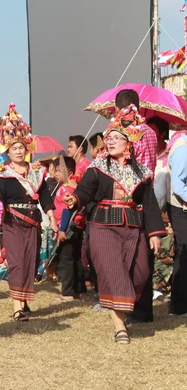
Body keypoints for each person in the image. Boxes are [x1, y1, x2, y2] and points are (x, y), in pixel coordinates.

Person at [65, 105, 165, 343]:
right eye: (108, 138)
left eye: (116, 138)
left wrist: (154, 233)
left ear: (128, 142)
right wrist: (74, 198)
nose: (110, 142)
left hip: (132, 225)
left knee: (140, 273)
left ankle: (122, 309)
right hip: (103, 226)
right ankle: (119, 326)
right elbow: (84, 192)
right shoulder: (98, 167)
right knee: (113, 272)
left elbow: (149, 202)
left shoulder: (140, 171)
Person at [0, 103, 58, 322]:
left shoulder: (37, 173)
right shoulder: (2, 175)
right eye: (14, 148)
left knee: (30, 261)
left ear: (27, 148)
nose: (19, 151)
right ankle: (17, 307)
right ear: (8, 152)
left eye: (21, 147)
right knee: (17, 262)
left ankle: (24, 300)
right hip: (12, 223)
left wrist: (52, 217)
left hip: (33, 223)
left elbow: (46, 198)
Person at [52, 156, 86, 301]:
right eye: (55, 171)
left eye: (59, 171)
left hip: (67, 228)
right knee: (76, 259)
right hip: (78, 227)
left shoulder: (65, 189)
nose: (55, 174)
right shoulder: (77, 187)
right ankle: (79, 290)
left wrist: (62, 229)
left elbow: (67, 209)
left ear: (69, 173)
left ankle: (67, 293)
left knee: (65, 261)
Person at [167, 130, 187, 317]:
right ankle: (179, 306)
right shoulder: (182, 146)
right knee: (184, 253)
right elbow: (179, 185)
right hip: (181, 208)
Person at [115, 89, 157, 172]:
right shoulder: (151, 132)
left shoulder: (123, 132)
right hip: (149, 182)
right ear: (138, 108)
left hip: (130, 182)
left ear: (116, 109)